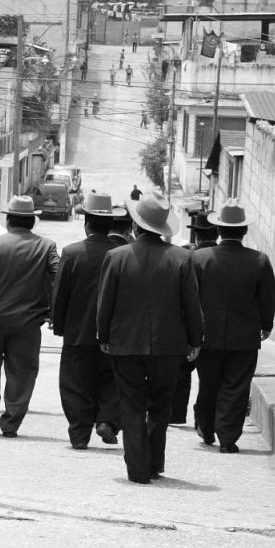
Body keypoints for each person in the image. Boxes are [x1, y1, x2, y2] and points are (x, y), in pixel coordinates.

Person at [96, 191, 203, 484]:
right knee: (160, 405)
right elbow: (191, 305)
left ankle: (137, 468)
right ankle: (154, 463)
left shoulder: (116, 257)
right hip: (168, 346)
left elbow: (105, 303)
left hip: (125, 343)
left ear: (135, 226)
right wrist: (195, 340)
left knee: (130, 405)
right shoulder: (182, 258)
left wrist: (103, 335)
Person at [193, 200, 275, 452]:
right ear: (244, 231)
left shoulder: (199, 259)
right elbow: (268, 295)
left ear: (218, 231)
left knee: (208, 382)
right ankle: (228, 437)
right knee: (236, 386)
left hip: (207, 334)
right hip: (244, 336)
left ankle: (206, 427)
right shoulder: (259, 260)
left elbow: (190, 296)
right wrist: (266, 325)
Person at [0, 196, 60, 437]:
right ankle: (10, 422)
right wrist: (54, 311)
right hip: (28, 324)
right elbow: (58, 278)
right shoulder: (47, 246)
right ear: (32, 221)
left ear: (9, 220)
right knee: (22, 374)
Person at [51, 192, 125, 450]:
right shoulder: (123, 253)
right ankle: (107, 420)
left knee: (75, 384)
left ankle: (80, 432)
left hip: (78, 331)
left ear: (86, 223)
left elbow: (61, 294)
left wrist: (58, 324)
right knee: (111, 380)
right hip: (114, 335)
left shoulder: (72, 253)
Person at [170, 212, 219, 425]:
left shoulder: (185, 256)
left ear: (196, 236)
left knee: (182, 371)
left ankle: (176, 413)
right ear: (217, 234)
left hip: (185, 324)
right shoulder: (218, 256)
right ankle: (205, 420)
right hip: (215, 328)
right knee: (211, 379)